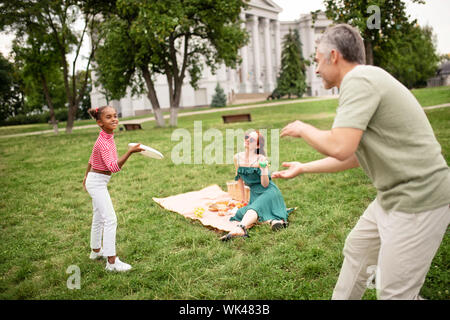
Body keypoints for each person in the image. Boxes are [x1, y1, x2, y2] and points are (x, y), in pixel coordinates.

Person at [272, 24, 450, 299]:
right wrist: (304, 167)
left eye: (317, 61)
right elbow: (353, 155)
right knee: (358, 249)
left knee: (394, 293)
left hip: (419, 199)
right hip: (392, 196)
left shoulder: (359, 80)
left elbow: (341, 146)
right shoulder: (363, 80)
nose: (316, 70)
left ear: (333, 56)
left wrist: (303, 128)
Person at [82, 106, 144, 272]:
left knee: (99, 217)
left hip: (95, 180)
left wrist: (86, 176)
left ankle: (96, 251)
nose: (114, 119)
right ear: (100, 122)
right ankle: (111, 262)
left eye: (115, 116)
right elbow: (113, 167)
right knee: (110, 219)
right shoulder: (104, 142)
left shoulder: (106, 136)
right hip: (97, 182)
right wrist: (130, 152)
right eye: (109, 117)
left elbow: (91, 158)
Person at [220, 130, 293, 241]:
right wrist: (243, 199)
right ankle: (274, 221)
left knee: (253, 210)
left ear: (258, 145)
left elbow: (265, 184)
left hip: (269, 192)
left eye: (252, 139)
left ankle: (240, 228)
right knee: (240, 213)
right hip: (255, 195)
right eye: (246, 137)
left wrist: (263, 169)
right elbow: (239, 178)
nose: (248, 140)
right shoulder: (237, 157)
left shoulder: (261, 159)